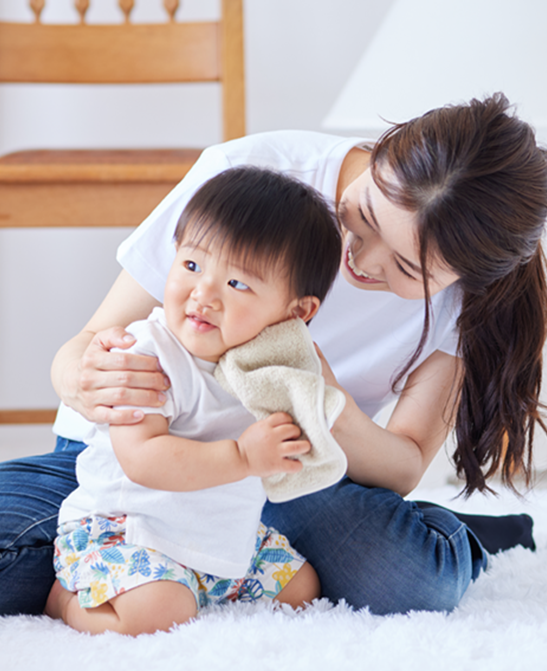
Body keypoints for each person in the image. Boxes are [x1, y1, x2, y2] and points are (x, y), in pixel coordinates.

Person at [0, 92, 547, 618]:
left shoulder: (469, 301)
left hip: (284, 482)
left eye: (406, 267)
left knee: (413, 579)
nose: (360, 260)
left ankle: (449, 537)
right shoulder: (255, 172)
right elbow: (86, 343)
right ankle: (191, 567)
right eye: (365, 216)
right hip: (134, 466)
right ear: (380, 153)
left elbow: (402, 463)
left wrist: (323, 400)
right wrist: (85, 376)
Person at [47, 166, 335, 635]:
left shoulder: (270, 367)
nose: (203, 295)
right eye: (192, 265)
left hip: (221, 535)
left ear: (296, 312)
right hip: (130, 531)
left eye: (238, 284)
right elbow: (143, 459)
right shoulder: (146, 353)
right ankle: (68, 601)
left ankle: (200, 584)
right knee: (160, 614)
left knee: (303, 589)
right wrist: (244, 456)